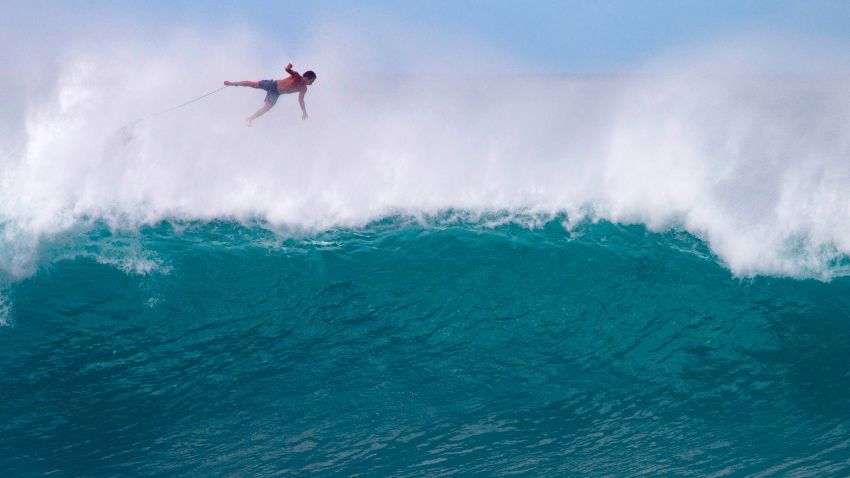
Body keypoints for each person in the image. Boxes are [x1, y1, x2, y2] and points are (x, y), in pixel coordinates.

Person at [225, 63, 316, 126]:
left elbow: (301, 100)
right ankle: (232, 83)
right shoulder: (297, 76)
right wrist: (289, 67)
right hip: (273, 84)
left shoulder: (303, 89)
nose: (311, 84)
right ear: (307, 77)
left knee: (266, 109)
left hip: (276, 93)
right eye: (311, 81)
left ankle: (249, 119)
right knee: (253, 84)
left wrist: (304, 112)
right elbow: (287, 69)